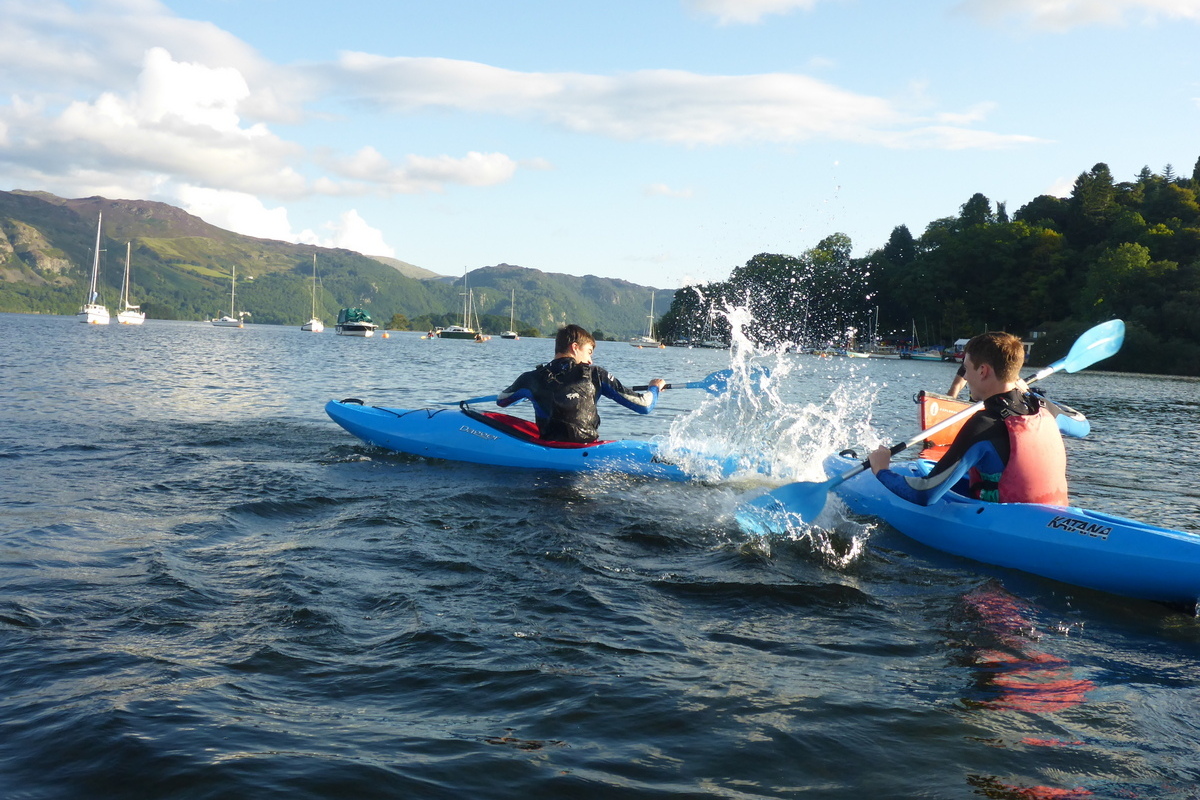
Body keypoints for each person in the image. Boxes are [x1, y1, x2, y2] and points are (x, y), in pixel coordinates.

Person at [869, 331, 1069, 506]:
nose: (965, 376)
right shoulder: (1042, 408)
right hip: (1054, 512)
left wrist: (881, 470)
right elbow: (1081, 425)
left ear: (982, 371)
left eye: (966, 368)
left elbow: (925, 494)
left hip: (1003, 524)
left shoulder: (984, 424)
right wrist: (1033, 395)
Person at [497, 324, 666, 444]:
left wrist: (529, 394)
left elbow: (502, 400)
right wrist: (654, 387)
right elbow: (644, 405)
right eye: (589, 352)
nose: (590, 360)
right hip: (585, 450)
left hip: (549, 449)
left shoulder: (531, 378)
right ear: (575, 347)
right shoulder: (596, 374)